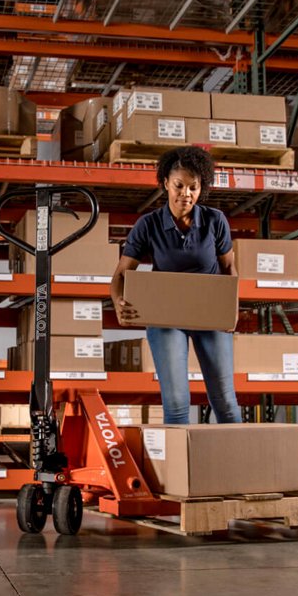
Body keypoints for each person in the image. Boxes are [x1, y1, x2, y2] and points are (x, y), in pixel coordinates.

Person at [111, 145, 240, 425]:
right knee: (177, 403)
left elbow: (229, 268)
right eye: (179, 186)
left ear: (201, 187)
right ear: (166, 183)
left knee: (226, 401)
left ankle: (237, 464)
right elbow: (121, 273)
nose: (186, 194)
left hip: (210, 314)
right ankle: (180, 467)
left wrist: (232, 310)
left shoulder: (215, 221)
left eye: (193, 187)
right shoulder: (148, 225)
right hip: (166, 317)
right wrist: (118, 303)